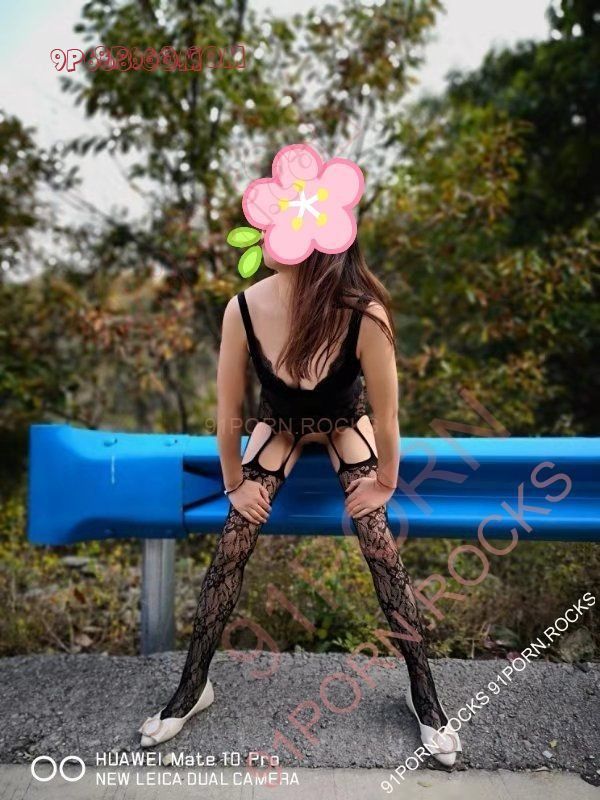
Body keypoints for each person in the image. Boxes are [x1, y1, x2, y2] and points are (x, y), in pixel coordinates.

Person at [138, 144, 461, 766]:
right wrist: (235, 484)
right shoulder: (243, 308)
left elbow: (387, 416)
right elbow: (228, 411)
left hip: (344, 421)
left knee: (378, 542)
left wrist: (385, 482)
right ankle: (192, 688)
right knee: (233, 540)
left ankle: (424, 694)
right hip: (280, 424)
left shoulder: (364, 314)